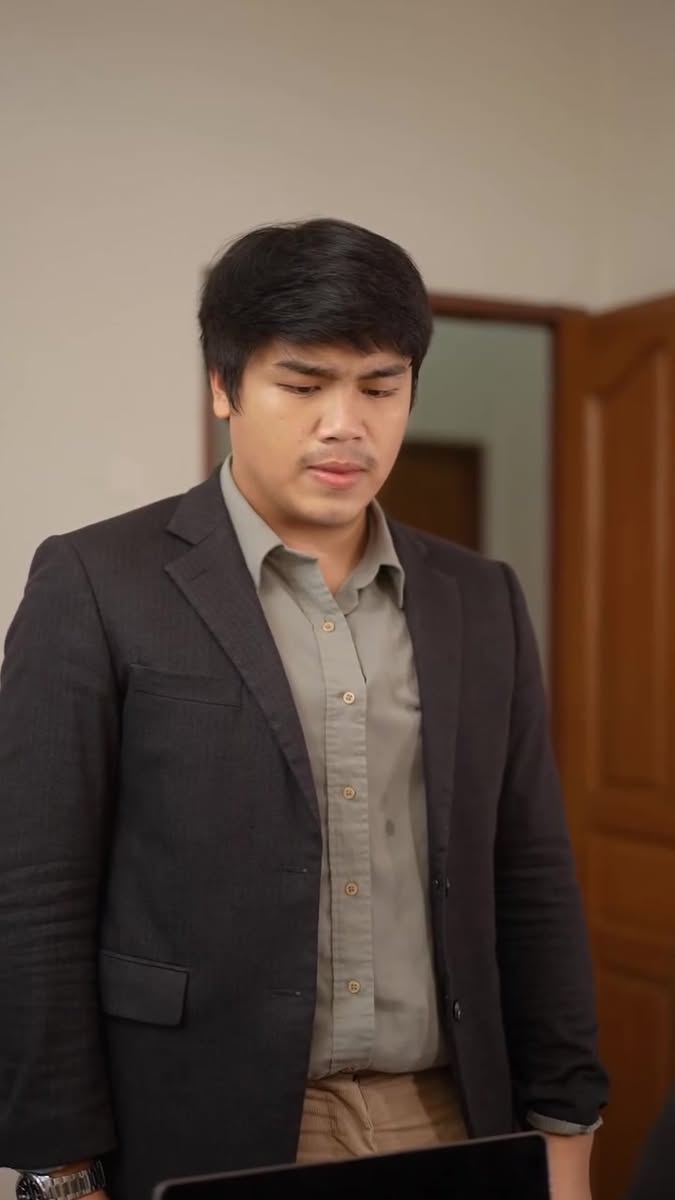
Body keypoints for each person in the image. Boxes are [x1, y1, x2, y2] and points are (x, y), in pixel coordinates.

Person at [0, 218, 607, 1200]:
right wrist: (59, 1167)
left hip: (450, 1110)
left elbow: (531, 870)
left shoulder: (479, 596)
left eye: (379, 386)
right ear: (224, 385)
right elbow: (35, 892)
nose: (344, 423)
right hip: (201, 1119)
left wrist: (566, 1123)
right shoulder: (98, 580)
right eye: (303, 383)